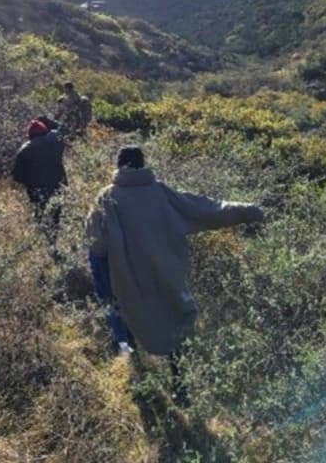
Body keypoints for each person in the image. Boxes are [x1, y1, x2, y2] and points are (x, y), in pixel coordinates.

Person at [85, 146, 264, 375]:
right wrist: (249, 211)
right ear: (143, 164)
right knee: (173, 324)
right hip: (167, 274)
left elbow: (97, 246)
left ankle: (136, 368)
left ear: (119, 165)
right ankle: (179, 381)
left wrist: (104, 283)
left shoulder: (106, 197)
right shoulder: (161, 192)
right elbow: (207, 209)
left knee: (128, 316)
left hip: (129, 279)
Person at [12, 118, 67, 253]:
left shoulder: (24, 150)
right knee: (55, 216)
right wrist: (49, 122)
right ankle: (54, 242)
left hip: (37, 192)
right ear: (44, 131)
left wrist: (29, 182)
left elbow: (17, 177)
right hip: (58, 186)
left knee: (41, 216)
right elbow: (63, 129)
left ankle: (48, 244)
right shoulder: (55, 141)